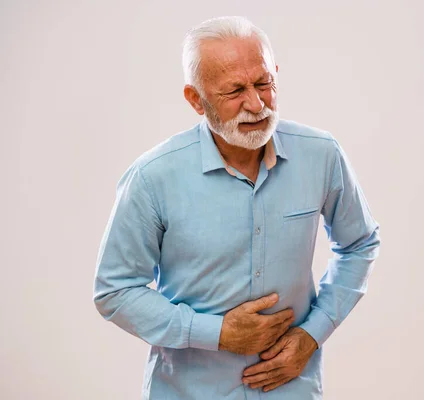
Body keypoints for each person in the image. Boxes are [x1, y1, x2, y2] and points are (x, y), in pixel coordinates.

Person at [93, 15, 380, 400]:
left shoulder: (322, 155)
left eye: (264, 83)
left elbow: (359, 244)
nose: (257, 104)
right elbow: (115, 290)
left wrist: (313, 334)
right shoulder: (151, 177)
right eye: (235, 91)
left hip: (292, 390)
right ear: (196, 99)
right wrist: (217, 333)